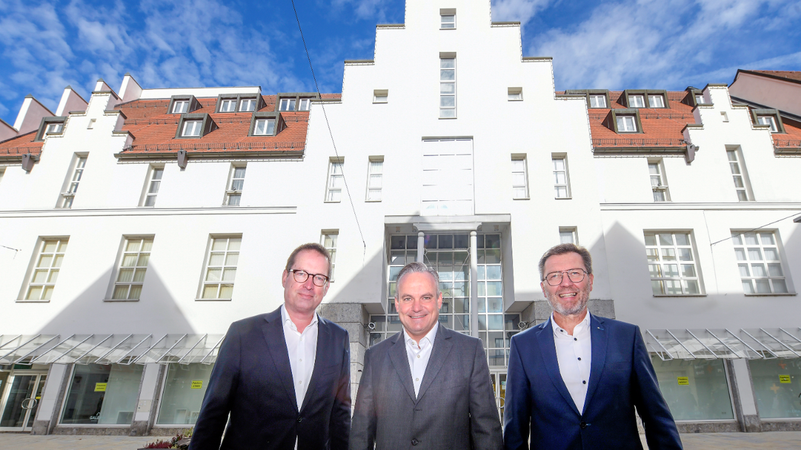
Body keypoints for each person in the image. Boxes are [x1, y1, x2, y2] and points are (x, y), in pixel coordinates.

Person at [503, 243, 682, 450]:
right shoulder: (523, 345)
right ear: (544, 288)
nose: (566, 283)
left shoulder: (626, 337)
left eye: (575, 273)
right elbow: (515, 426)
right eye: (554, 276)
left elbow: (655, 415)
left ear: (591, 281)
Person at [189, 243, 350, 450]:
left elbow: (341, 415)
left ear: (326, 287)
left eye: (319, 278)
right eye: (301, 273)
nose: (309, 284)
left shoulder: (338, 338)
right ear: (285, 277)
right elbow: (213, 414)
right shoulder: (243, 334)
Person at [350, 262, 503, 450]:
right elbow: (360, 433)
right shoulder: (375, 357)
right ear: (397, 303)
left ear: (439, 300)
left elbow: (487, 432)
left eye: (426, 297)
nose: (417, 307)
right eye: (407, 298)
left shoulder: (470, 351)